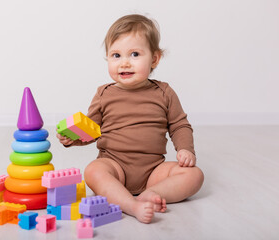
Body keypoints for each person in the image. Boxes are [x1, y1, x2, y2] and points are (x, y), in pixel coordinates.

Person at [57, 14, 204, 223]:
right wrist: (74, 139)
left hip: (154, 171)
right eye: (116, 55)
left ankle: (152, 194)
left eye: (134, 54)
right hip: (115, 166)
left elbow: (179, 125)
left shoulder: (164, 92)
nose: (124, 63)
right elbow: (92, 130)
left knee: (194, 175)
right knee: (93, 170)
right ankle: (131, 205)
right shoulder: (104, 94)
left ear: (154, 59)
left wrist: (185, 149)